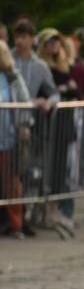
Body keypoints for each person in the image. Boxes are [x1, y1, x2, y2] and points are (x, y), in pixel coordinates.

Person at [0, 40, 31, 238]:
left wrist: (24, 125)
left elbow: (24, 102)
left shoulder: (12, 77)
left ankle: (15, 224)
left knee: (12, 184)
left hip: (8, 139)